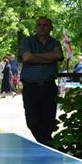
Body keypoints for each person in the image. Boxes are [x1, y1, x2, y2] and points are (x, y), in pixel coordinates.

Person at [19, 16, 64, 145]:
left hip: (49, 87)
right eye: (39, 25)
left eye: (45, 25)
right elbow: (27, 58)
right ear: (36, 27)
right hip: (31, 88)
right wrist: (49, 57)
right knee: (32, 121)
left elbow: (58, 55)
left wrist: (34, 56)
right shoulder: (28, 41)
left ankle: (47, 148)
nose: (42, 27)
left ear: (51, 28)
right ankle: (52, 146)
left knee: (48, 122)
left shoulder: (55, 43)